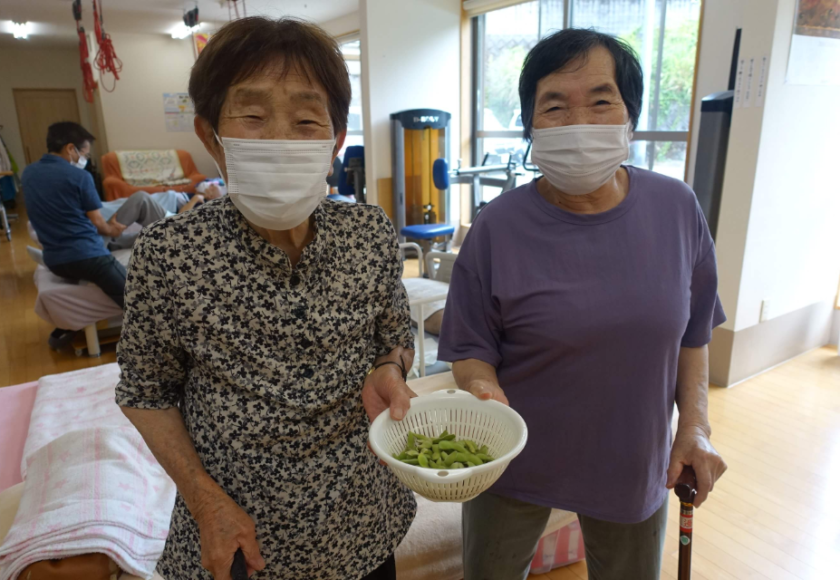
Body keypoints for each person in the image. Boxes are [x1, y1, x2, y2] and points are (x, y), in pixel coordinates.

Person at [115, 17, 416, 580]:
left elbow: (395, 334)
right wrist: (204, 499)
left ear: (335, 143)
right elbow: (143, 389)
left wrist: (390, 368)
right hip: (235, 534)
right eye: (252, 117)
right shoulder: (170, 253)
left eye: (306, 120)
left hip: (362, 521)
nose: (279, 137)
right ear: (211, 138)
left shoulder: (370, 233)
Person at [438, 29, 728, 580]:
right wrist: (481, 388)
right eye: (554, 106)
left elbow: (694, 334)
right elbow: (472, 348)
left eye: (601, 101)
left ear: (629, 117)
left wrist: (694, 426)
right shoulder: (496, 227)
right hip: (510, 459)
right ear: (529, 125)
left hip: (632, 460)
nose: (578, 123)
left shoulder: (676, 209)